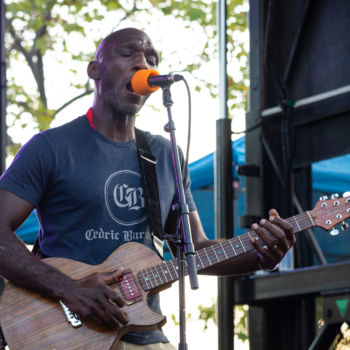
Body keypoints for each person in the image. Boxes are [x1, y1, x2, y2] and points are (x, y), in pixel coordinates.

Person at [0, 28, 295, 349]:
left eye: (151, 59)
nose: (143, 64)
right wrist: (69, 289)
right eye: (128, 54)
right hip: (62, 335)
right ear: (94, 70)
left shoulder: (165, 153)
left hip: (145, 334)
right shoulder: (51, 147)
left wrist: (264, 257)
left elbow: (193, 248)